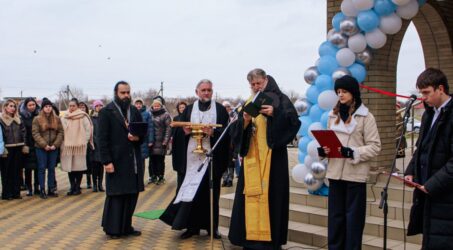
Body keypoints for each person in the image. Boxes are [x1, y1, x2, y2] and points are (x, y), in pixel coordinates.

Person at [228, 69, 300, 249]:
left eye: (258, 83)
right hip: (252, 159)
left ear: (266, 80)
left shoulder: (280, 99)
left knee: (272, 198)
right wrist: (244, 121)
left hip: (273, 160)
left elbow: (294, 123)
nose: (255, 87)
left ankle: (270, 242)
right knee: (249, 197)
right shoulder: (249, 101)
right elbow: (237, 132)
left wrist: (275, 114)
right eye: (252, 85)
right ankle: (249, 240)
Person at [317, 75, 381, 250]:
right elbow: (329, 141)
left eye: (344, 91)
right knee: (335, 220)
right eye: (338, 91)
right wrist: (324, 151)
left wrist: (354, 152)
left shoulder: (366, 117)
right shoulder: (332, 115)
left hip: (355, 176)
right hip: (335, 175)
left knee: (353, 221)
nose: (340, 95)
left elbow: (375, 147)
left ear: (353, 92)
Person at [160, 79, 230, 239]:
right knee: (193, 193)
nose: (206, 93)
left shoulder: (220, 110)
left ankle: (213, 228)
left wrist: (213, 133)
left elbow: (227, 134)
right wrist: (184, 132)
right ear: (196, 92)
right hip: (192, 159)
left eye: (209, 90)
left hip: (211, 159)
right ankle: (192, 228)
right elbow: (177, 132)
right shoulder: (189, 109)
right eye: (203, 90)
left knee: (212, 194)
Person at [404, 68, 453, 249]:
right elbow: (420, 149)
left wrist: (432, 184)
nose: (423, 97)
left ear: (441, 88)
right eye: (421, 93)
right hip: (427, 193)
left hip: (445, 195)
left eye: (426, 92)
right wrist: (411, 172)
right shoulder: (429, 114)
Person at [99, 81, 144, 239]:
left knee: (131, 195)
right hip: (116, 161)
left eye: (128, 93)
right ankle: (113, 229)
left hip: (133, 162)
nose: (126, 96)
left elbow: (142, 134)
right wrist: (106, 161)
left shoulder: (133, 110)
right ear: (116, 93)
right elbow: (102, 140)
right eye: (122, 93)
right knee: (117, 196)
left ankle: (126, 226)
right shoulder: (107, 112)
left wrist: (137, 137)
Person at [32, 98, 64, 199]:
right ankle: (42, 189)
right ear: (42, 108)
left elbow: (60, 132)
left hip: (53, 147)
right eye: (46, 106)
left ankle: (51, 188)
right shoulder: (37, 119)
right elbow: (35, 133)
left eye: (50, 106)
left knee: (51, 168)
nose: (48, 108)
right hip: (41, 148)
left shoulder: (57, 119)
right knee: (41, 168)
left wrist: (55, 144)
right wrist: (44, 145)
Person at [60, 98, 93, 196]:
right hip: (68, 146)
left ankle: (77, 187)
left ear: (77, 106)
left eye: (73, 106)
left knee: (78, 167)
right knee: (70, 167)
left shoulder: (83, 116)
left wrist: (84, 141)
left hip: (80, 146)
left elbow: (88, 130)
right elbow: (62, 130)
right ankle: (72, 186)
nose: (71, 107)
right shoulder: (64, 117)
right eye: (70, 106)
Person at [0, 99, 26, 200]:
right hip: (7, 148)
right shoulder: (1, 119)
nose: (13, 108)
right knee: (6, 172)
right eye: (10, 106)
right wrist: (2, 148)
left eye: (14, 106)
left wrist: (25, 145)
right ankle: (6, 193)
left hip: (18, 147)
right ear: (5, 107)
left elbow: (24, 132)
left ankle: (16, 192)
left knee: (17, 171)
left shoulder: (18, 119)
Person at [20, 97, 40, 196]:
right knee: (28, 168)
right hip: (28, 145)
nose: (32, 107)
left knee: (38, 167)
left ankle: (37, 187)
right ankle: (29, 188)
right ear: (26, 106)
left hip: (38, 144)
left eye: (33, 105)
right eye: (30, 105)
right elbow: (23, 132)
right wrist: (24, 144)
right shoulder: (22, 116)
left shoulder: (39, 115)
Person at [149, 98, 171, 185]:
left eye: (158, 105)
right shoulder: (149, 114)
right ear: (152, 106)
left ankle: (161, 176)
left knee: (160, 160)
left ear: (161, 106)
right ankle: (153, 176)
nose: (156, 107)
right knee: (152, 160)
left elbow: (168, 129)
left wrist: (165, 141)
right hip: (151, 142)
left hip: (161, 142)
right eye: (155, 106)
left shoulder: (165, 115)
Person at [133, 98, 155, 184]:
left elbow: (150, 128)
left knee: (141, 162)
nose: (138, 105)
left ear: (142, 105)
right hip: (132, 140)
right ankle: (134, 181)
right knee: (133, 162)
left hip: (143, 141)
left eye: (140, 104)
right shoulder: (131, 112)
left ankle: (140, 181)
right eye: (136, 104)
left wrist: (150, 140)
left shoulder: (147, 114)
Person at [170, 101, 187, 191]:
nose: (182, 109)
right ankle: (179, 187)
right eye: (180, 108)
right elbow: (173, 131)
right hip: (177, 145)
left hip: (186, 144)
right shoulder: (176, 118)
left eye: (183, 107)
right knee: (179, 167)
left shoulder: (188, 118)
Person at [90, 100, 105, 192]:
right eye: (97, 106)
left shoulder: (104, 117)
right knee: (94, 165)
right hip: (94, 145)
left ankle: (100, 184)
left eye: (101, 105)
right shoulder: (91, 118)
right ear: (94, 107)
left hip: (103, 145)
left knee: (101, 166)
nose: (99, 107)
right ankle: (94, 184)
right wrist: (94, 141)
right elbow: (91, 132)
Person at [221, 100, 236, 187]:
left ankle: (230, 179)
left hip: (231, 142)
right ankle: (224, 178)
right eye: (225, 107)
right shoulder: (220, 116)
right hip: (222, 142)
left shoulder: (234, 117)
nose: (226, 108)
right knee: (223, 162)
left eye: (228, 106)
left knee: (230, 162)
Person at [79, 101, 93, 189]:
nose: (82, 109)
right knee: (79, 164)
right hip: (78, 143)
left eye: (83, 107)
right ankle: (79, 183)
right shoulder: (76, 117)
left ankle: (89, 182)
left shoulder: (88, 117)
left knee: (88, 163)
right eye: (80, 107)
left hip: (88, 143)